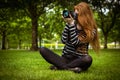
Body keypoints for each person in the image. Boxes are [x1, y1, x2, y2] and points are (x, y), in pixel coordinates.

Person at [39, 2, 100, 73]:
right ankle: (71, 68)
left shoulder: (91, 30)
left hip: (79, 59)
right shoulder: (71, 24)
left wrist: (71, 25)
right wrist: (68, 24)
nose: (75, 15)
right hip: (66, 57)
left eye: (77, 14)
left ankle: (61, 67)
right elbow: (63, 40)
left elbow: (75, 42)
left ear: (84, 16)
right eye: (74, 13)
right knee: (42, 49)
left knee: (88, 59)